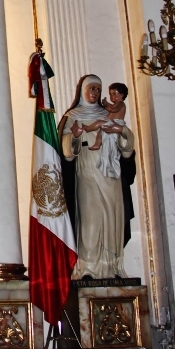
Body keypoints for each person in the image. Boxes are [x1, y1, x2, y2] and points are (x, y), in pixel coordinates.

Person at [60, 74, 135, 280]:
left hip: (110, 172)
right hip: (87, 170)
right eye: (91, 89)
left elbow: (127, 151)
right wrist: (74, 136)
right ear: (83, 90)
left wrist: (123, 132)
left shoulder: (110, 114)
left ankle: (112, 267)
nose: (95, 93)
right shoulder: (73, 116)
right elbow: (66, 153)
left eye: (97, 90)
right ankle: (88, 268)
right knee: (90, 218)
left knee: (112, 217)